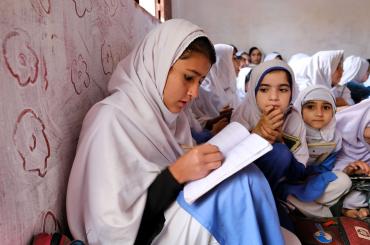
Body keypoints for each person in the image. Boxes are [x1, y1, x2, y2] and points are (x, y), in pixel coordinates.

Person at [66, 19, 288, 245]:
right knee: (237, 190)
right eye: (188, 77)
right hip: (144, 234)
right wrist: (175, 175)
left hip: (172, 213)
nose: (193, 92)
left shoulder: (173, 119)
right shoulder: (111, 120)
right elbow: (109, 231)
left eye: (200, 81)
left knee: (249, 175)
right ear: (159, 63)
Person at [231, 59, 309, 230]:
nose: (273, 98)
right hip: (241, 186)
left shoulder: (294, 119)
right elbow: (230, 163)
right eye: (264, 89)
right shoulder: (243, 113)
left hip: (275, 186)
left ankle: (269, 199)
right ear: (253, 92)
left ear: (292, 92)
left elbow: (299, 171)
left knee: (280, 152)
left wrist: (281, 140)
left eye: (282, 89)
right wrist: (256, 136)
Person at [286, 85, 351, 218]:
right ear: (300, 109)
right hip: (288, 181)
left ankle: (299, 205)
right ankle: (320, 211)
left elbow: (326, 167)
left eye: (326, 107)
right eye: (310, 107)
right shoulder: (289, 131)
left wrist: (314, 177)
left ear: (333, 111)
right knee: (282, 191)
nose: (319, 113)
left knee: (344, 181)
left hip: (312, 181)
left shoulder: (335, 137)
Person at [333, 99, 370, 219]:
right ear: (361, 121)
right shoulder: (337, 133)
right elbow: (325, 171)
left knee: (356, 198)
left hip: (360, 189)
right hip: (337, 184)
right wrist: (348, 170)